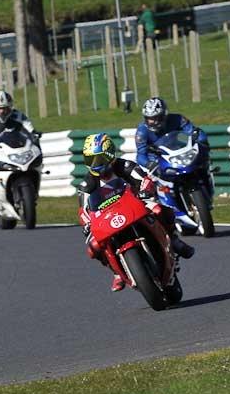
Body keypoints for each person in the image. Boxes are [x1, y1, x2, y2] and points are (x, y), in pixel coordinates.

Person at [78, 133, 195, 292]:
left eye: (98, 159)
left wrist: (145, 190)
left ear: (109, 154)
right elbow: (83, 209)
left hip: (136, 204)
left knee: (159, 210)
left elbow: (144, 179)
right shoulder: (87, 183)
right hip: (108, 216)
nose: (94, 164)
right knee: (94, 246)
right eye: (90, 160)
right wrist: (86, 223)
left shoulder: (124, 166)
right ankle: (116, 273)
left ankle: (174, 240)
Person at [0, 90, 41, 206]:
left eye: (4, 108)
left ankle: (33, 191)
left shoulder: (19, 116)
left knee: (35, 167)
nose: (1, 111)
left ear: (10, 107)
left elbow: (32, 132)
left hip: (17, 150)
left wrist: (35, 137)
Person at [135, 97, 208, 170]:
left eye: (156, 117)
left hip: (182, 157)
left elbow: (194, 132)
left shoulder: (178, 119)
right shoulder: (142, 131)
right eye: (150, 118)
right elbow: (141, 155)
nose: (153, 122)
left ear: (164, 115)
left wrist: (201, 141)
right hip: (159, 163)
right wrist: (149, 164)